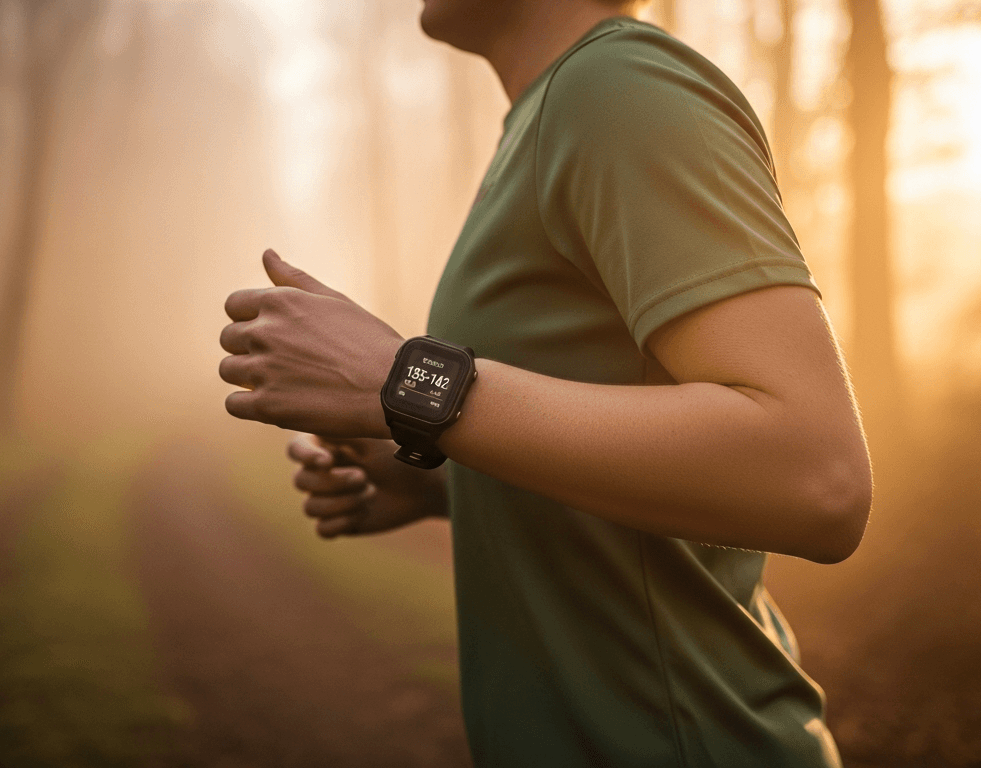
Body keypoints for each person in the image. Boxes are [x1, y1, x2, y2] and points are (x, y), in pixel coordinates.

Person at [218, 0, 871, 764]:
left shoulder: (622, 89)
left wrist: (408, 385)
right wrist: (443, 484)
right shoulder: (549, 113)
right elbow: (615, 435)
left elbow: (816, 477)